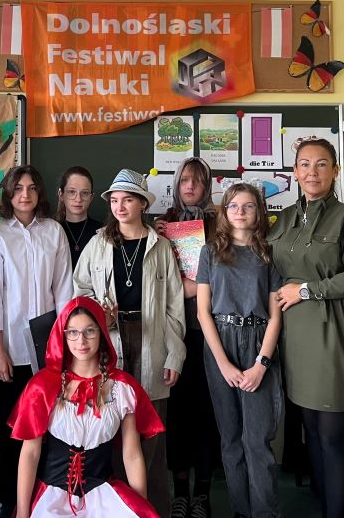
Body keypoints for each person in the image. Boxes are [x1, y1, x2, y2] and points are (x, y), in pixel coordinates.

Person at [269, 138, 344, 518]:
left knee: (332, 437)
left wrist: (305, 290)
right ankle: (324, 507)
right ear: (295, 171)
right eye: (304, 164)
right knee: (312, 432)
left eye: (321, 164)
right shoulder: (284, 218)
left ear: (335, 170)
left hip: (332, 334)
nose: (312, 172)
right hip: (294, 340)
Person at [73, 168, 186, 518]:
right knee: (110, 430)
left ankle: (153, 510)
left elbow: (174, 306)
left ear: (142, 204)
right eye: (115, 200)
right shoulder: (98, 244)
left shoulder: (160, 246)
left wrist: (175, 354)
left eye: (128, 200)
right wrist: (98, 314)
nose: (120, 207)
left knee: (151, 435)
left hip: (153, 341)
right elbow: (80, 291)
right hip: (110, 343)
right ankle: (115, 509)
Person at [11, 297, 163, 518]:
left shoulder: (122, 389)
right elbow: (30, 454)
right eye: (72, 332)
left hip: (103, 495)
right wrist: (22, 514)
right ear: (63, 335)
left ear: (101, 332)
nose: (81, 340)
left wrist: (140, 508)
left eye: (89, 331)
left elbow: (131, 455)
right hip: (51, 498)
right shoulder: (42, 387)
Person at [0, 165, 74, 518]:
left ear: (41, 193)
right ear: (9, 193)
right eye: (19, 188)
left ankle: (45, 499)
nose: (25, 194)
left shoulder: (54, 231)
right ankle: (11, 502)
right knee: (13, 429)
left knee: (51, 427)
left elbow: (64, 290)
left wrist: (66, 345)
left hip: (50, 347)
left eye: (32, 187)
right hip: (11, 349)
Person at [196, 182, 284, 518]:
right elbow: (203, 312)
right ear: (224, 211)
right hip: (220, 343)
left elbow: (275, 316)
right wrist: (223, 364)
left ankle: (264, 513)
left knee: (257, 441)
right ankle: (241, 511)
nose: (240, 212)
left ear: (258, 211)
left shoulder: (268, 254)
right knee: (231, 439)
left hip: (258, 341)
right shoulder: (209, 252)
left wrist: (262, 364)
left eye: (248, 206)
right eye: (233, 206)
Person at [155, 158, 218, 518]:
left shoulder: (221, 223)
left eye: (197, 181)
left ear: (206, 185)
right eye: (184, 181)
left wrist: (193, 288)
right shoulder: (163, 224)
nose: (190, 186)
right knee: (177, 415)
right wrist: (157, 237)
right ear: (176, 185)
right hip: (172, 334)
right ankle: (180, 492)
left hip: (210, 334)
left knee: (207, 414)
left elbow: (226, 274)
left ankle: (203, 494)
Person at [55, 166, 102, 269]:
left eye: (84, 193)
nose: (78, 199)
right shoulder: (51, 231)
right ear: (61, 195)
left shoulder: (102, 232)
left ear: (91, 197)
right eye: (72, 192)